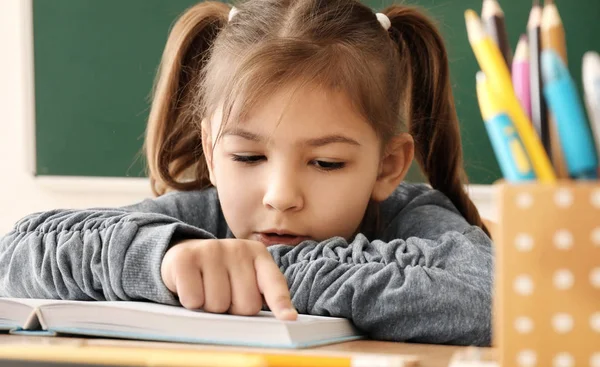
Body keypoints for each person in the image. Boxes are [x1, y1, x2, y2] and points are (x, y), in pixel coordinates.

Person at [0, 0, 493, 346]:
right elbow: (14, 255)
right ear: (212, 154)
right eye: (248, 158)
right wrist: (166, 261)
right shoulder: (195, 221)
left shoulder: (415, 217)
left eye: (326, 163)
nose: (280, 196)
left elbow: (491, 299)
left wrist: (263, 274)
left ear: (387, 166)